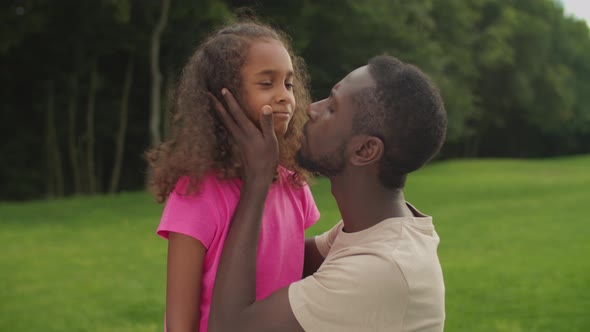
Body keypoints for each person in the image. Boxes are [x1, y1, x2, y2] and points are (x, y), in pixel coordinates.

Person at [207, 55, 448, 331]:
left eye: (332, 108)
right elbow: (282, 259)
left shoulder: (380, 269)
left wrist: (257, 180)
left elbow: (228, 326)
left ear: (365, 151)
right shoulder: (370, 232)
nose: (311, 109)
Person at [146, 21, 320, 332]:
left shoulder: (293, 183)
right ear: (225, 99)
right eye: (267, 84)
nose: (285, 97)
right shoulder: (196, 192)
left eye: (289, 84)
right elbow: (179, 323)